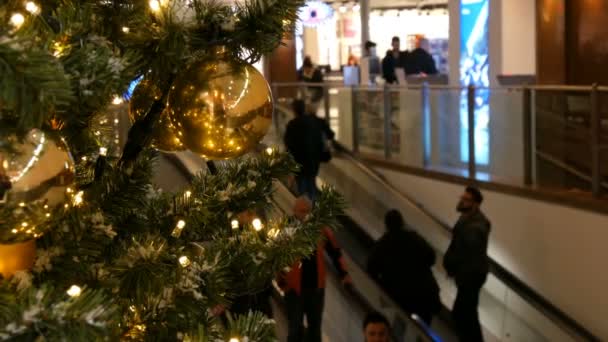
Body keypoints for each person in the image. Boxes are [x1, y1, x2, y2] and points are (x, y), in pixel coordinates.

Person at [279, 196, 352, 342]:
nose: (305, 215)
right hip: (293, 288)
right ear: (294, 211)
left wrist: (344, 274)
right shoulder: (286, 228)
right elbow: (277, 256)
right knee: (295, 330)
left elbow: (334, 251)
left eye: (307, 211)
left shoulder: (320, 228)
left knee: (314, 329)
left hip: (316, 288)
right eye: (301, 211)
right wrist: (280, 279)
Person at [368, 210, 441, 325]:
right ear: (402, 223)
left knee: (401, 326)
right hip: (424, 294)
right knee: (424, 329)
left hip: (400, 298)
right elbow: (431, 258)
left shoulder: (382, 245)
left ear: (386, 225)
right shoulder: (414, 238)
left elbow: (371, 270)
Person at [443, 186, 491, 342]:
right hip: (466, 274)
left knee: (464, 314)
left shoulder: (477, 225)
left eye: (466, 199)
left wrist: (453, 264)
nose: (462, 201)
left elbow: (468, 248)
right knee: (465, 313)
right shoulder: (466, 217)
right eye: (461, 198)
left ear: (475, 204)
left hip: (471, 276)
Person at [284, 99, 333, 201]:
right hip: (313, 160)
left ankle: (307, 210)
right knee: (311, 182)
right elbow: (329, 135)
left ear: (294, 110)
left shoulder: (292, 124)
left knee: (303, 187)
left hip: (299, 163)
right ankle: (313, 205)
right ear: (304, 108)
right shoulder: (314, 121)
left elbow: (288, 145)